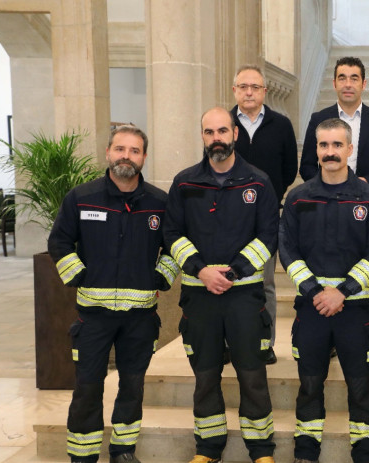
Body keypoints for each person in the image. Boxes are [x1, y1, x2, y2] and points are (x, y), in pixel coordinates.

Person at [49, 125, 179, 463]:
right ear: (108, 153)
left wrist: (160, 278)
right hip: (92, 318)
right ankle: (83, 455)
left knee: (132, 388)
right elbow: (59, 242)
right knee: (88, 388)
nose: (127, 156)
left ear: (144, 157)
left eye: (134, 151)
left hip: (140, 318)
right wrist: (78, 274)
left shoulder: (159, 203)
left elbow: (174, 247)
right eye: (120, 149)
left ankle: (123, 451)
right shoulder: (81, 197)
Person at [164, 107, 279, 463]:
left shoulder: (258, 181)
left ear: (235, 135)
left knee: (252, 375)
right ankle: (208, 448)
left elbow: (268, 235)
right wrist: (201, 271)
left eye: (222, 131)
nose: (217, 138)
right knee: (205, 376)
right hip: (199, 299)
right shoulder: (184, 183)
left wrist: (232, 273)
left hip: (245, 297)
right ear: (202, 137)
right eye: (209, 132)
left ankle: (260, 450)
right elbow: (172, 234)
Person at [281, 118, 369, 463]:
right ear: (315, 150)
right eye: (324, 145)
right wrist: (316, 291)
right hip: (312, 308)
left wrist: (342, 291)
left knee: (360, 385)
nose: (330, 152)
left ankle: (366, 448)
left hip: (356, 311)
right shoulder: (297, 198)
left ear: (350, 149)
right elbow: (288, 252)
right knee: (310, 383)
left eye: (337, 145)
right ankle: (307, 448)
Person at [299, 56, 369, 367]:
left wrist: (361, 185)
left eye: (354, 78)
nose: (348, 83)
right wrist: (330, 183)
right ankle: (329, 339)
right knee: (326, 269)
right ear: (334, 83)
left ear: (363, 84)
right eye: (342, 77)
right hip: (325, 212)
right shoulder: (320, 118)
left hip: (365, 212)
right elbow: (305, 167)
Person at [231, 64, 298, 364]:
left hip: (267, 219)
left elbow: (289, 170)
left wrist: (272, 197)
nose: (249, 92)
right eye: (243, 86)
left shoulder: (281, 125)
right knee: (229, 281)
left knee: (265, 283)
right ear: (234, 91)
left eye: (255, 87)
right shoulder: (224, 124)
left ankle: (264, 342)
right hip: (228, 219)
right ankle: (229, 341)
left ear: (264, 92)